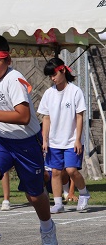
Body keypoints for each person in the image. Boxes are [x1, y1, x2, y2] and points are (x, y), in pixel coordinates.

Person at [0, 34, 57, 245]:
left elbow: (24, 116)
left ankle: (48, 228)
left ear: (8, 60)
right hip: (1, 141)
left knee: (34, 194)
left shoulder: (15, 80)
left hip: (27, 143)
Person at [38, 57, 91, 214]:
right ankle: (58, 203)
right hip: (54, 141)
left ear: (62, 71)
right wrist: (45, 139)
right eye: (50, 76)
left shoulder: (75, 91)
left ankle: (84, 194)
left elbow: (80, 117)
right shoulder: (49, 93)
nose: (52, 78)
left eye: (54, 74)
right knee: (55, 172)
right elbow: (46, 118)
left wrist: (78, 140)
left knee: (71, 171)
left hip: (71, 141)